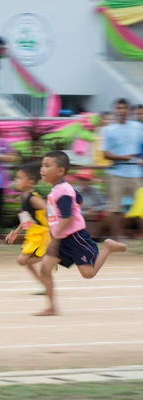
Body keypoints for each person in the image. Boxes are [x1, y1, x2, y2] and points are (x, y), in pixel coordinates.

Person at [35, 151, 127, 317]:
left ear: (60, 171)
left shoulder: (62, 192)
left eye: (47, 166)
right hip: (62, 238)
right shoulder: (60, 189)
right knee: (45, 268)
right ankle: (51, 307)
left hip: (75, 238)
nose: (42, 169)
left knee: (88, 274)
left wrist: (55, 239)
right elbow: (79, 200)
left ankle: (107, 247)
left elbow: (68, 219)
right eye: (43, 165)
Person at [102, 98, 143, 240]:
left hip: (136, 172)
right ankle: (116, 238)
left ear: (129, 111)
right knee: (115, 208)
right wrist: (123, 158)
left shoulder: (138, 127)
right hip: (116, 172)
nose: (121, 111)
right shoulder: (108, 129)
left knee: (141, 205)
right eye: (118, 108)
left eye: (124, 108)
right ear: (115, 110)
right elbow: (105, 154)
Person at [5, 163, 49, 290]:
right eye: (16, 178)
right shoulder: (23, 197)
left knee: (22, 260)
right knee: (26, 262)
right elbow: (26, 218)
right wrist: (17, 232)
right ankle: (45, 286)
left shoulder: (32, 198)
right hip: (34, 234)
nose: (16, 181)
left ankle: (51, 256)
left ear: (30, 182)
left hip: (42, 234)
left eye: (19, 178)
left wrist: (51, 222)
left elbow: (46, 207)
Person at [74, 169, 110, 241]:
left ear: (90, 181)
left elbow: (105, 204)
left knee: (108, 214)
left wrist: (95, 209)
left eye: (86, 180)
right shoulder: (73, 191)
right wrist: (85, 213)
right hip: (78, 215)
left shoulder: (95, 191)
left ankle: (98, 235)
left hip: (94, 215)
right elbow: (70, 209)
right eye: (82, 179)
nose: (84, 182)